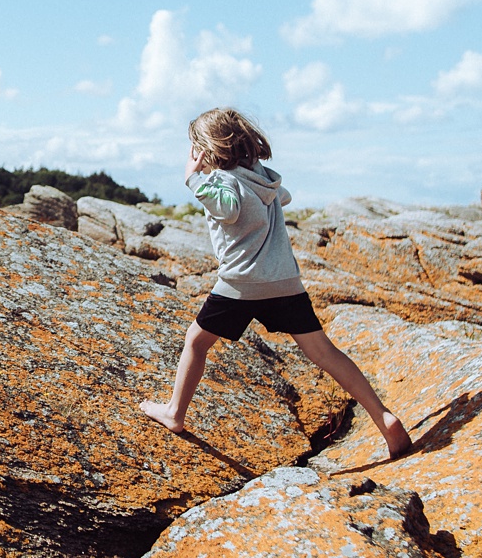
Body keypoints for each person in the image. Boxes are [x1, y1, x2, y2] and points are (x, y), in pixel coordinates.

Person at [138, 107, 413, 459]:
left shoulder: (223, 182)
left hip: (241, 285)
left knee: (196, 342)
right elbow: (283, 197)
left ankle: (175, 413)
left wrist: (193, 179)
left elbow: (230, 208)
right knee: (323, 352)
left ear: (205, 149)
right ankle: (383, 417)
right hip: (284, 282)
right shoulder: (264, 177)